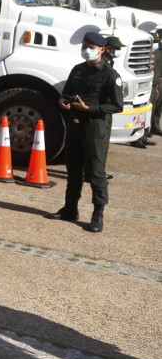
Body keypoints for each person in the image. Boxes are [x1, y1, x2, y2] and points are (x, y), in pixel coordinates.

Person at [47, 31, 123, 233]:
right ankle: (70, 209)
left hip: (95, 128)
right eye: (84, 46)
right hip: (75, 125)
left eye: (91, 47)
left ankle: (98, 214)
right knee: (73, 170)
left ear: (101, 50)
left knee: (96, 173)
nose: (86, 50)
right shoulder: (78, 70)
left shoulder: (110, 75)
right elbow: (67, 93)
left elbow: (116, 106)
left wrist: (90, 109)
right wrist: (63, 101)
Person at [104, 35, 155, 149]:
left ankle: (143, 136)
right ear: (107, 48)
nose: (116, 52)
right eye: (114, 49)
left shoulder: (108, 60)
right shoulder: (103, 62)